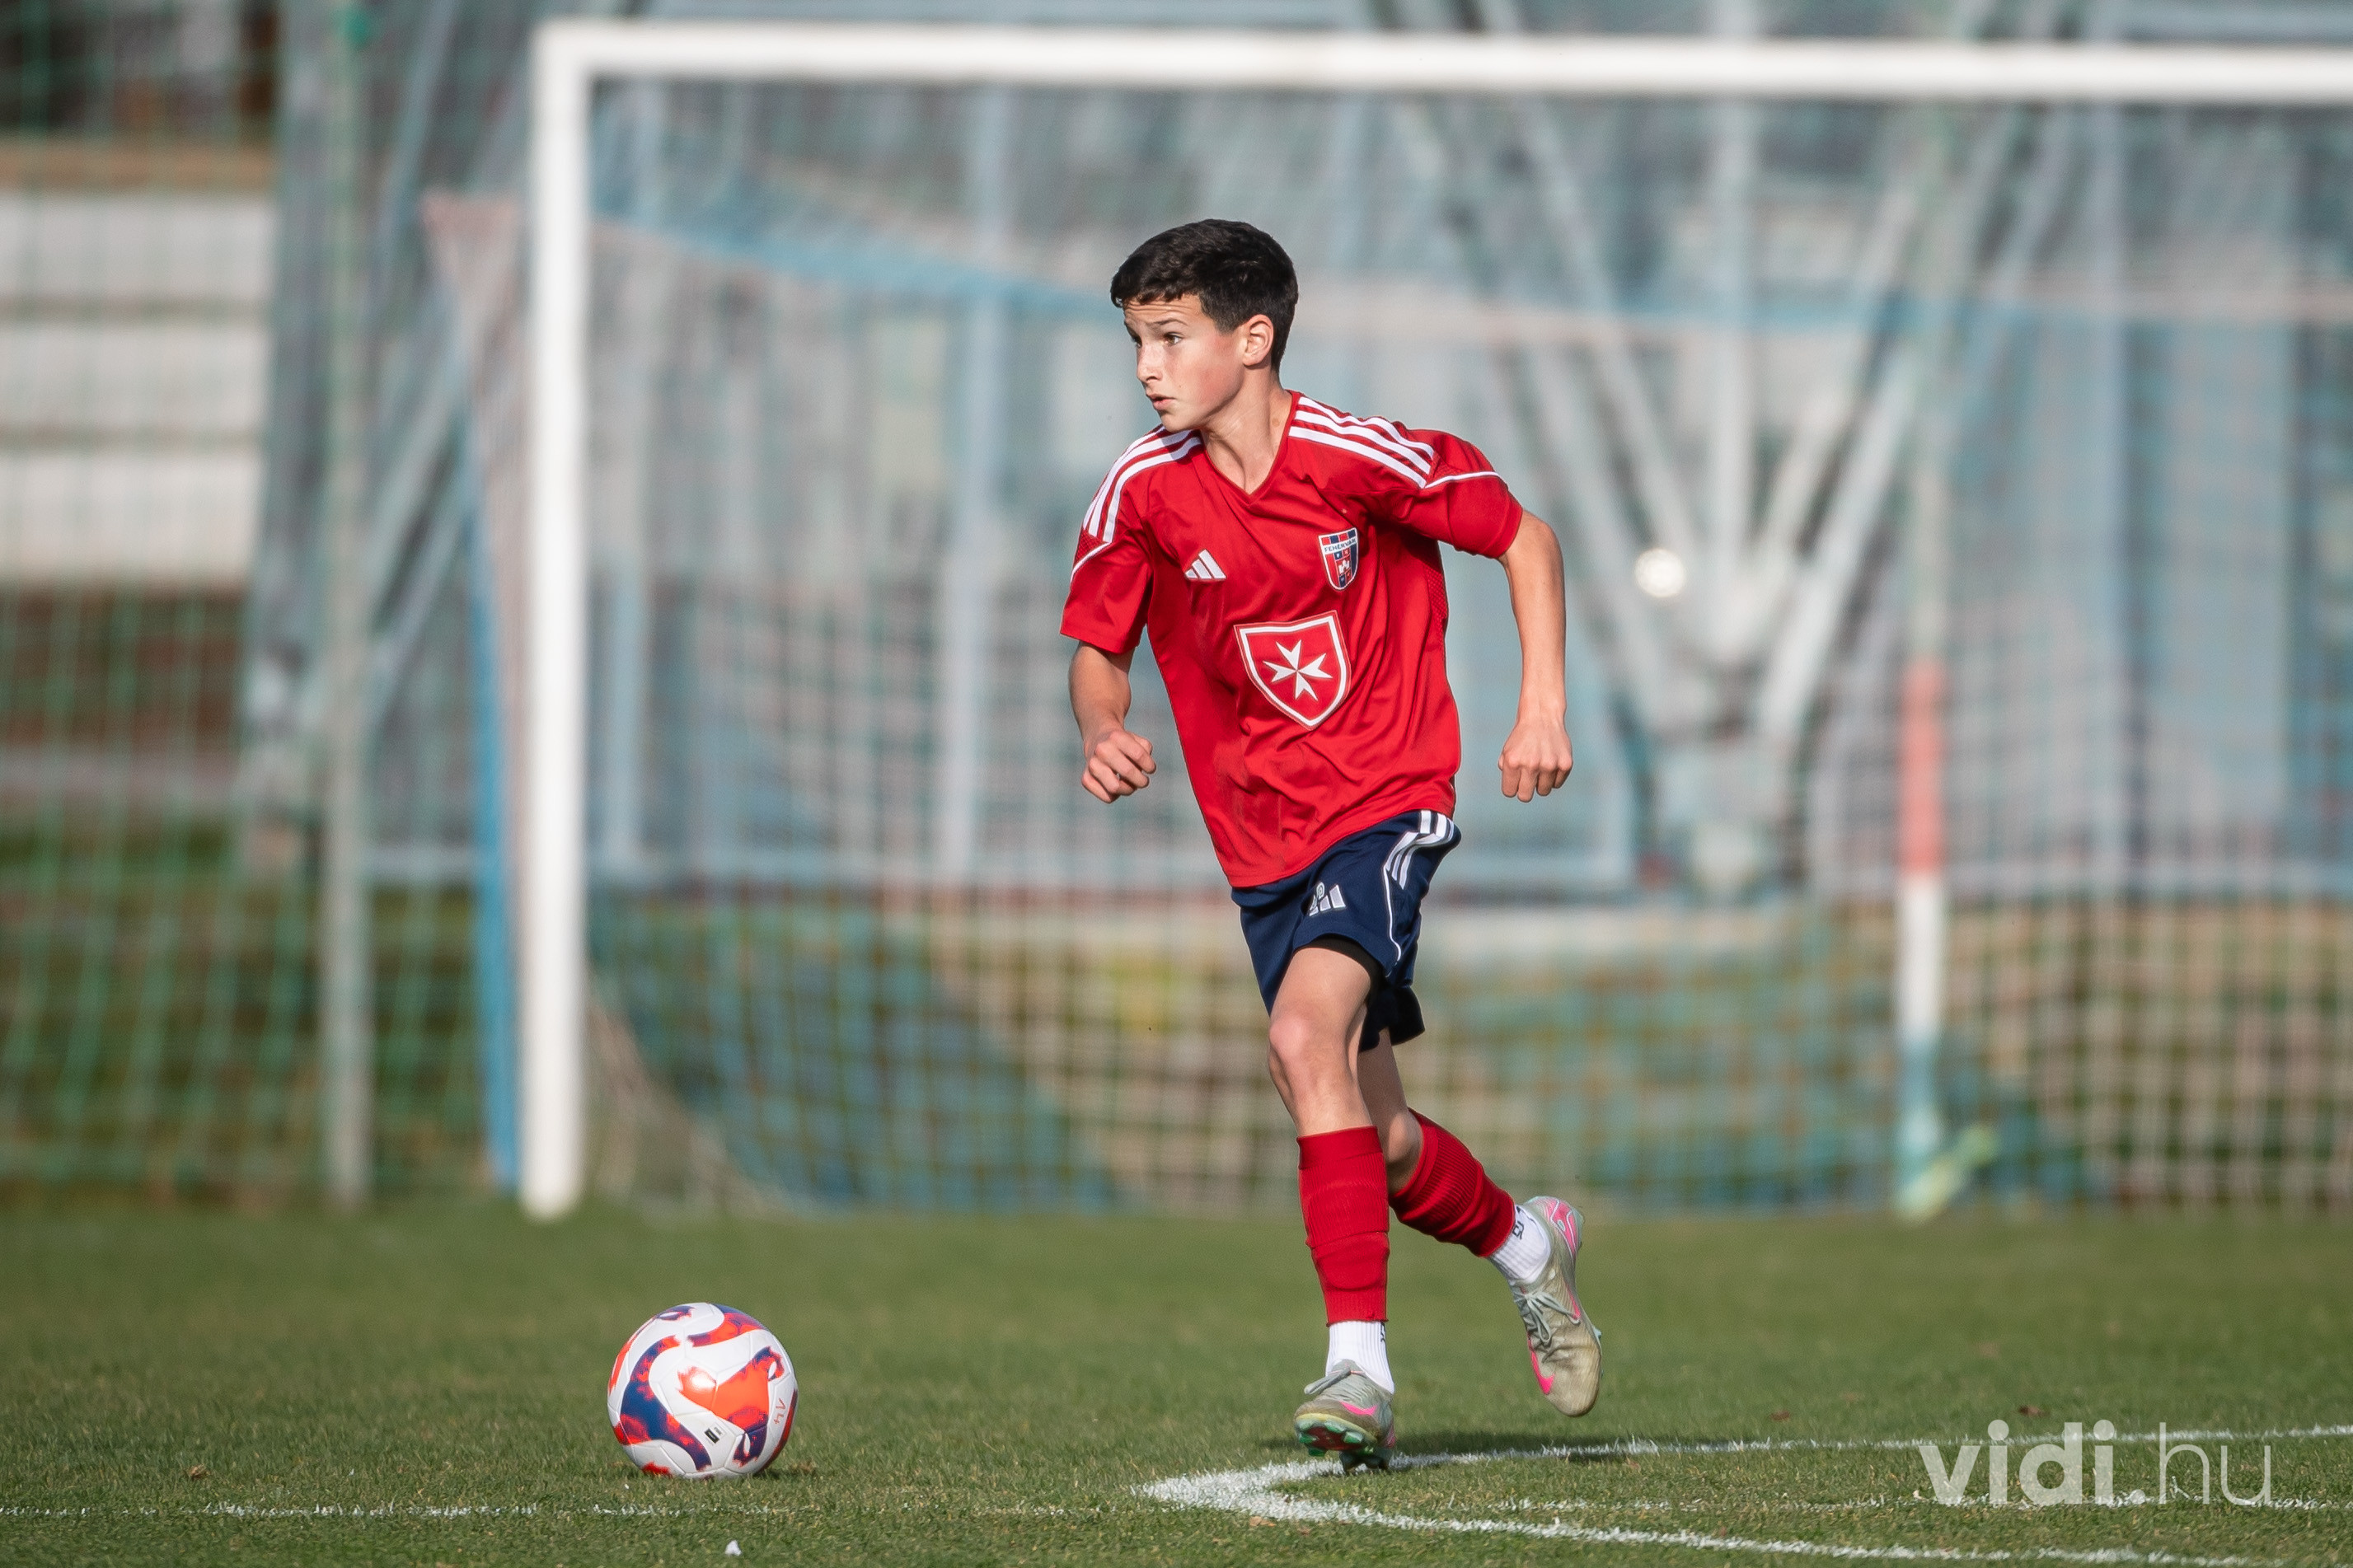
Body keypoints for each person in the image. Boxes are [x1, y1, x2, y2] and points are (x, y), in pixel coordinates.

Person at [1060, 218, 1601, 1470]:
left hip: (1388, 801)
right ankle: (1529, 1244)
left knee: (1304, 1039)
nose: (1146, 367)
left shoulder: (1356, 458)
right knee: (1376, 1136)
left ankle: (1359, 1370)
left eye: (1170, 338)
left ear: (1253, 340)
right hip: (1263, 845)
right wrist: (1103, 725)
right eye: (1137, 341)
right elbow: (1097, 642)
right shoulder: (1142, 488)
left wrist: (1542, 706)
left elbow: (1524, 536)